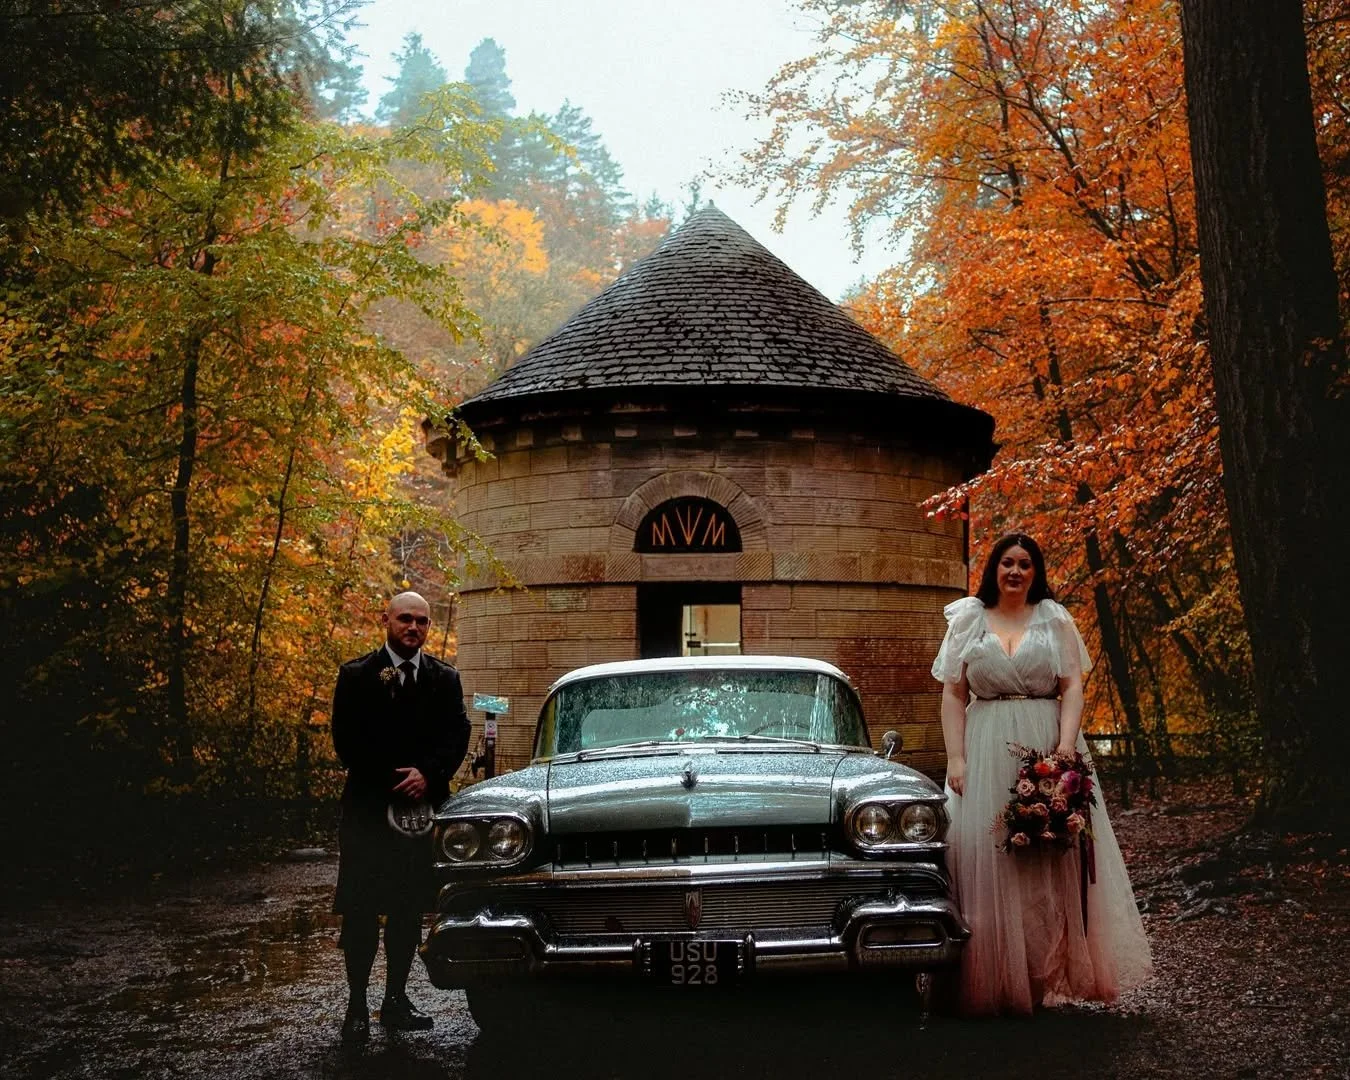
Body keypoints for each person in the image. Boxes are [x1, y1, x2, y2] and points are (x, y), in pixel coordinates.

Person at [932, 533, 1151, 1014]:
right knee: (989, 854)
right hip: (985, 745)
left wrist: (1066, 747)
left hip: (1045, 740)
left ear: (1036, 572)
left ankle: (1042, 969)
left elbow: (1071, 687)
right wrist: (956, 758)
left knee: (1049, 855)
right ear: (994, 568)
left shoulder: (1054, 619)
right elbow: (953, 693)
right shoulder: (968, 619)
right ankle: (995, 975)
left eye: (1025, 564)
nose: (1015, 571)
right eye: (1007, 563)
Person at [331, 591, 470, 1041]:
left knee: (408, 909)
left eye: (422, 621)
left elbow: (457, 733)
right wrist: (395, 779)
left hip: (420, 814)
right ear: (386, 620)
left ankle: (395, 1000)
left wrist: (428, 774)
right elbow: (346, 742)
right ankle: (356, 1006)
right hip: (369, 812)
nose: (414, 627)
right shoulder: (356, 675)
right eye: (405, 619)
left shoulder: (444, 678)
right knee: (361, 911)